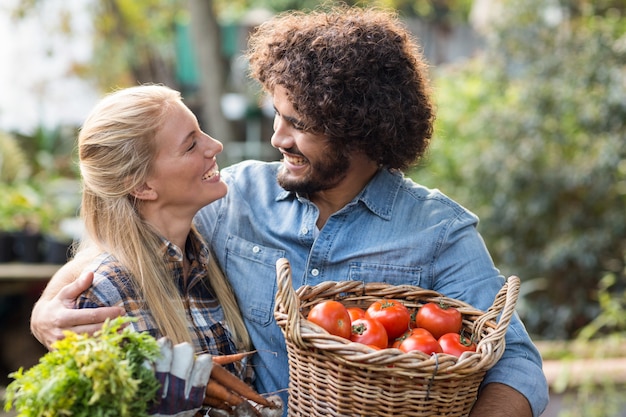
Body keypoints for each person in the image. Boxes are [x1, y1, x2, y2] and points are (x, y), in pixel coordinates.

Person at [30, 6, 549, 417]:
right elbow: (127, 240)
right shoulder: (235, 199)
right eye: (277, 116)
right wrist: (46, 311)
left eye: (296, 123)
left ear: (358, 132)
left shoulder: (437, 232)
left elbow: (518, 363)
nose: (278, 138)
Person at [68, 84, 256, 415]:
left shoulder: (214, 259)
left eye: (202, 133)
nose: (215, 146)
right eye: (190, 145)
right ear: (142, 186)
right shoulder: (103, 299)